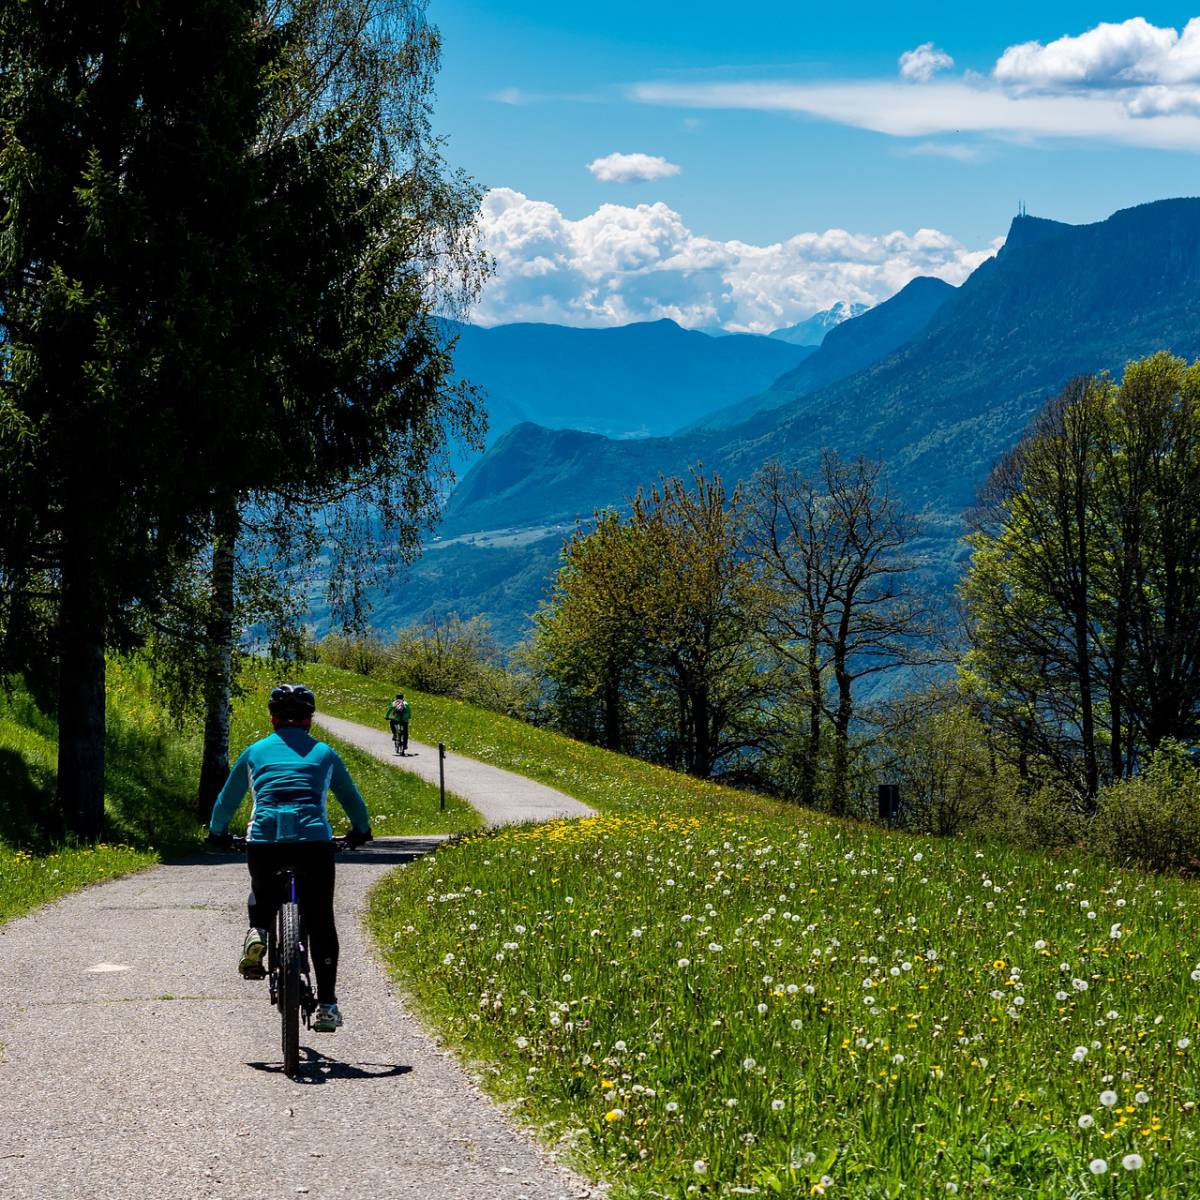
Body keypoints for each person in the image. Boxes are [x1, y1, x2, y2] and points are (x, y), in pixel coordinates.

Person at [207, 683, 372, 1033]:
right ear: (310, 720)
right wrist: (360, 829)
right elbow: (352, 799)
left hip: (265, 840)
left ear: (273, 719)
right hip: (313, 843)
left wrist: (217, 832)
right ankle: (327, 1005)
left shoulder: (254, 752)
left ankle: (258, 932)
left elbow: (227, 800)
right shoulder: (325, 753)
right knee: (322, 920)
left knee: (262, 891)